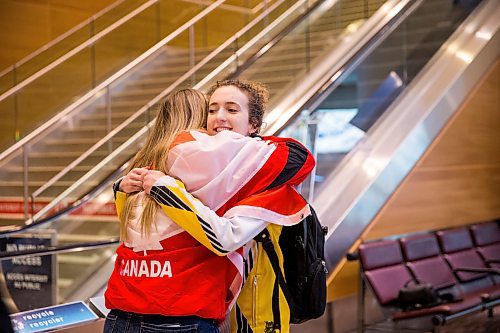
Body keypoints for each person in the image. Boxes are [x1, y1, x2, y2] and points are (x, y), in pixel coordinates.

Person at [105, 83, 314, 333]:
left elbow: (224, 238)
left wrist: (160, 190)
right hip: (162, 314)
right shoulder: (173, 169)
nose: (218, 118)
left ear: (253, 124)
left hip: (240, 316)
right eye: (212, 110)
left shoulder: (262, 180)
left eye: (232, 110)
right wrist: (126, 189)